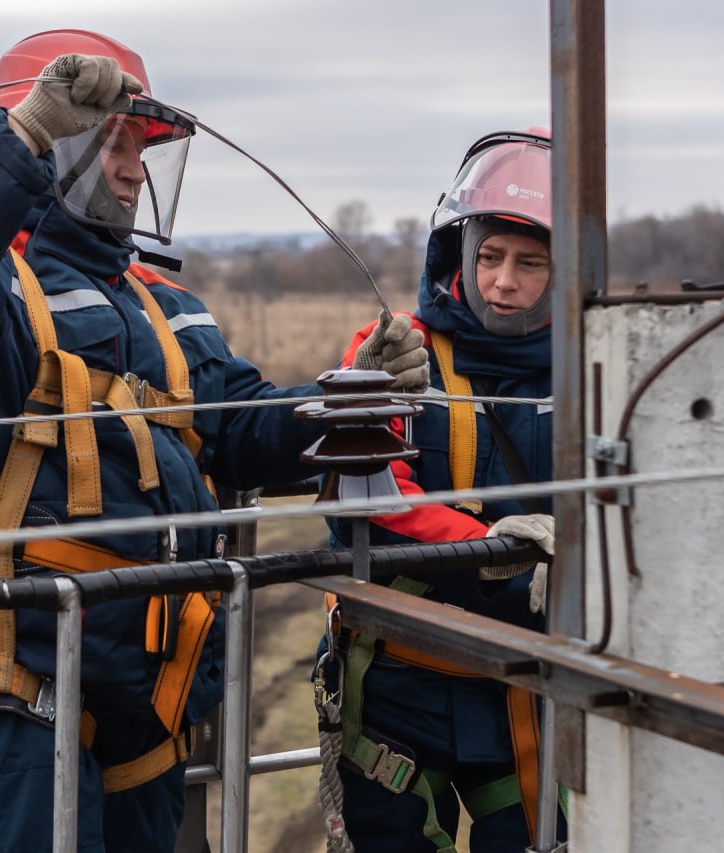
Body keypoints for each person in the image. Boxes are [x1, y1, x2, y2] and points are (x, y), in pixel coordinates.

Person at [0, 29, 426, 852]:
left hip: (149, 690)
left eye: (142, 147)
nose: (133, 167)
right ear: (47, 139)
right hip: (17, 681)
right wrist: (18, 135)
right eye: (111, 142)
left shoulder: (163, 304)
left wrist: (355, 399)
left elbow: (240, 428)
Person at [315, 129, 564, 852]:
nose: (502, 283)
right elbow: (369, 501)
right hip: (398, 691)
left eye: (530, 263)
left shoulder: (591, 367)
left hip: (526, 696)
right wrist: (486, 546)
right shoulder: (392, 353)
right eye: (488, 257)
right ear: (458, 251)